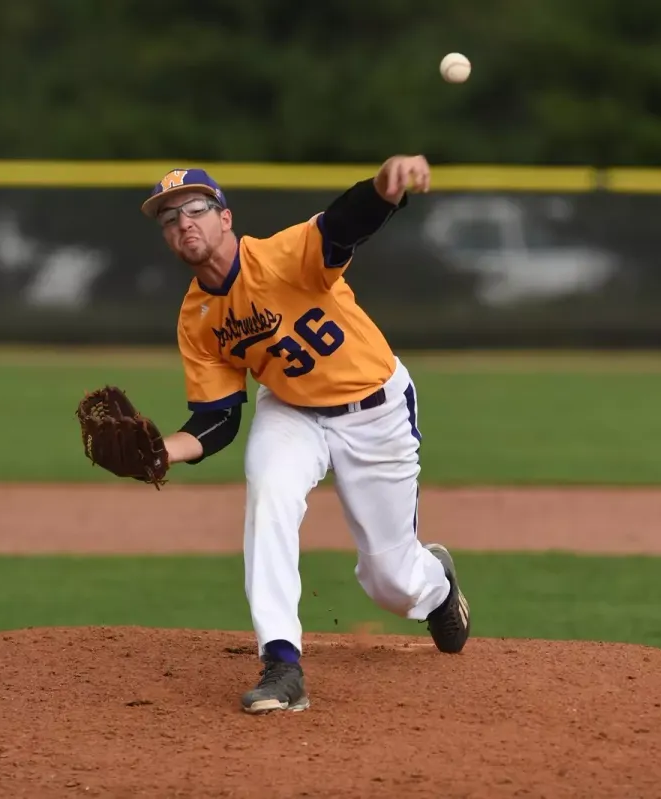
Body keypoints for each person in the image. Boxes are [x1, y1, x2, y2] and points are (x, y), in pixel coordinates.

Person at [139, 155, 471, 714]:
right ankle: (281, 664)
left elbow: (343, 225)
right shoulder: (196, 317)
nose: (183, 224)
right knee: (269, 493)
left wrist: (384, 189)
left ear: (226, 218)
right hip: (291, 411)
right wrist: (163, 451)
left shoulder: (281, 255)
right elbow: (218, 416)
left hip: (376, 410)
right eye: (169, 219)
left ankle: (435, 580)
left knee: (391, 585)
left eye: (195, 209)